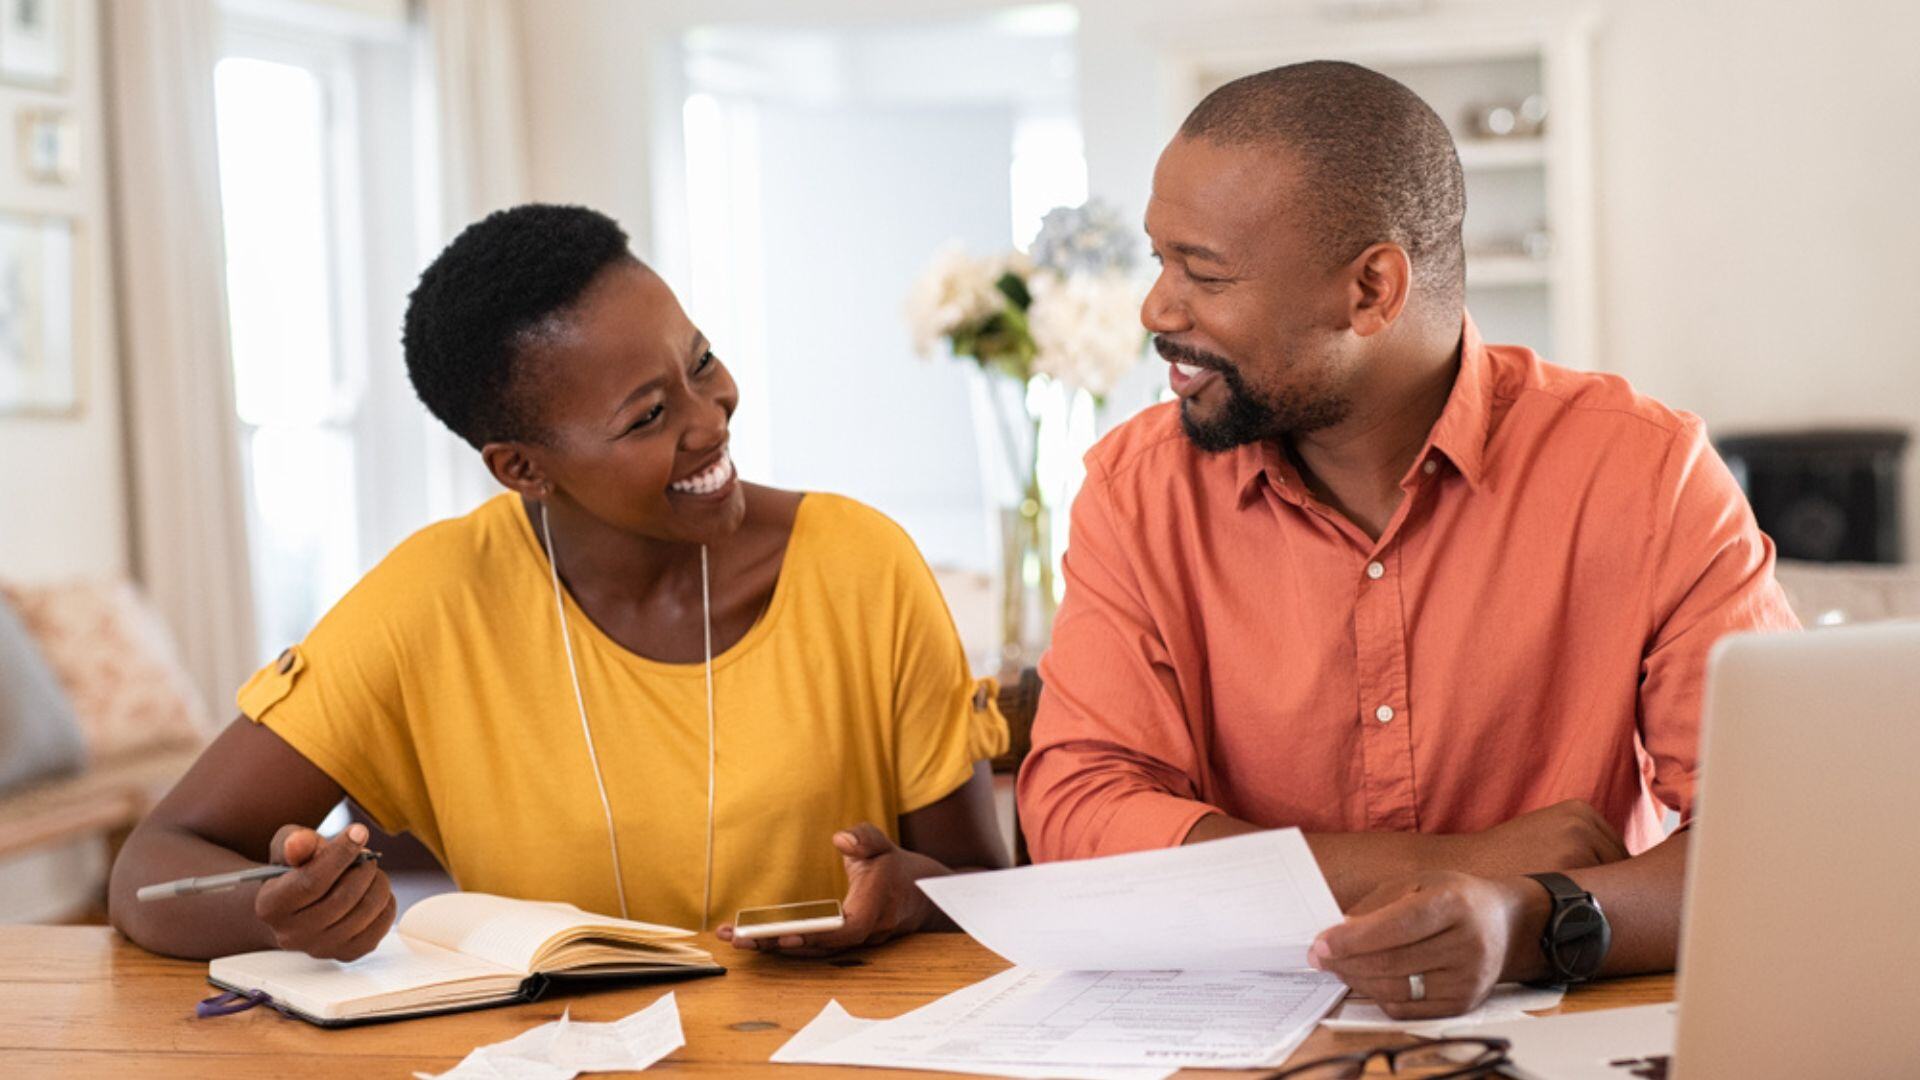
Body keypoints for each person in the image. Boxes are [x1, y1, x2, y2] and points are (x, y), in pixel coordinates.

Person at [1016, 61, 1798, 1018]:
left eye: (1205, 273)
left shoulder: (1644, 473)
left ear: (1373, 290)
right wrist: (1447, 866)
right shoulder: (1137, 493)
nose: (1157, 310)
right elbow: (1078, 813)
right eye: (1159, 261)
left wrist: (1523, 919)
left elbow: (1776, 840)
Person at [110, 204, 1009, 962]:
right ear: (522, 469)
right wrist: (282, 915)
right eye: (649, 415)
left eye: (699, 362)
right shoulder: (431, 601)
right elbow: (153, 865)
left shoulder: (862, 565)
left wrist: (905, 897)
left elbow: (982, 890)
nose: (712, 418)